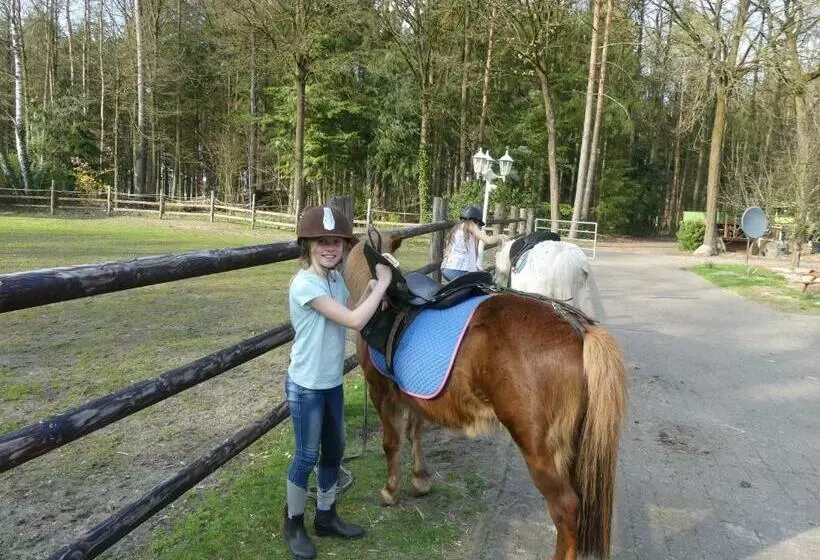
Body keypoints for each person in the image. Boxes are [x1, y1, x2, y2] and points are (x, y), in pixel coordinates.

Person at [284, 205, 392, 560]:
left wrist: (373, 288)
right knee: (306, 455)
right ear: (307, 245)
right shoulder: (305, 284)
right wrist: (382, 286)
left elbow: (353, 304)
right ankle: (294, 523)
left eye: (336, 242)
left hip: (330, 381)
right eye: (322, 242)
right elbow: (353, 320)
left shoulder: (333, 279)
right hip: (306, 385)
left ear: (344, 246)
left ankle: (326, 515)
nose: (330, 248)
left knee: (333, 450)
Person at [440, 203, 508, 281]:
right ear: (474, 220)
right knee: (483, 282)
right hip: (458, 270)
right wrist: (500, 237)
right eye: (478, 223)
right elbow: (488, 240)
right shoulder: (470, 225)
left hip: (447, 268)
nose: (478, 226)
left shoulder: (457, 228)